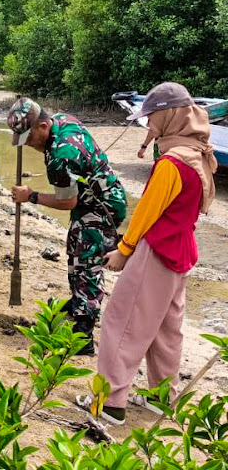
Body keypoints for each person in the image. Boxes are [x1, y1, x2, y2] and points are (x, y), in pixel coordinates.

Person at [76, 83, 218, 425]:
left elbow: (147, 212)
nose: (148, 125)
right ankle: (161, 399)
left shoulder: (171, 163)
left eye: (152, 117)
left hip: (157, 251)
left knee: (122, 322)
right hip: (181, 251)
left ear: (169, 116)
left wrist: (124, 250)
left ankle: (109, 402)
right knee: (166, 330)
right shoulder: (197, 155)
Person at [8, 97, 127, 356]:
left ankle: (83, 334)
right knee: (75, 249)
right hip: (88, 202)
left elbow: (66, 201)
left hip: (101, 207)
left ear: (42, 126)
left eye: (29, 138)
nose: (28, 145)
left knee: (86, 263)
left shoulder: (61, 156)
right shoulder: (61, 120)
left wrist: (31, 196)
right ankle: (76, 304)